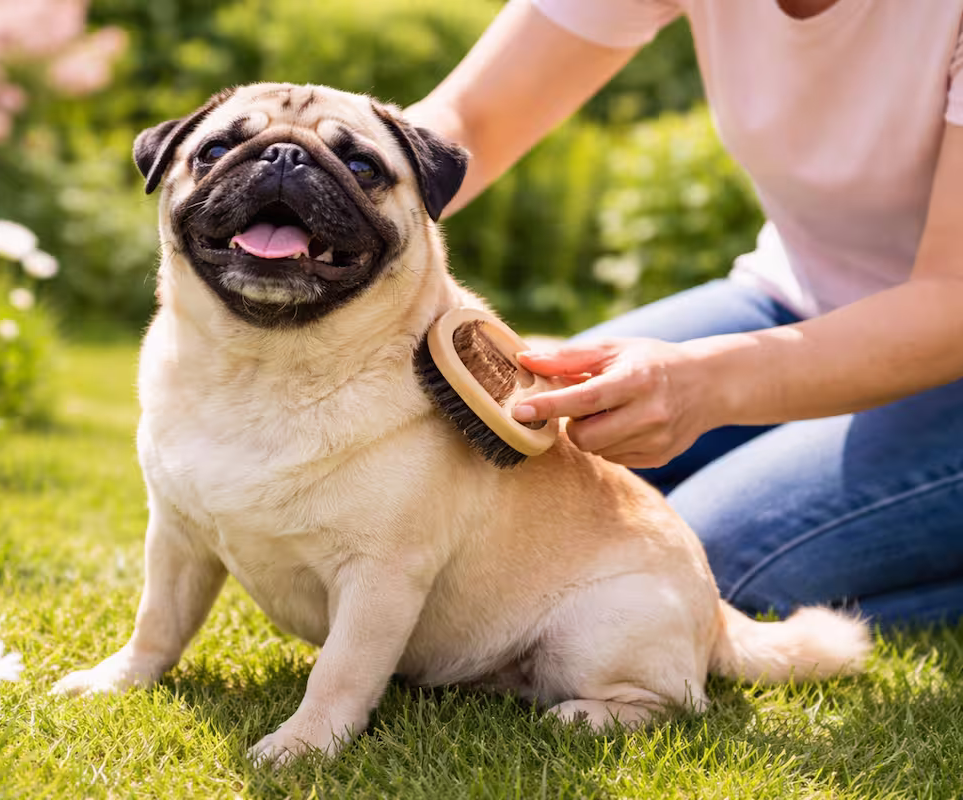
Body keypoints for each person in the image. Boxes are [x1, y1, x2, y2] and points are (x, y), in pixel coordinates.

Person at [405, 0, 963, 627]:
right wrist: (336, 174)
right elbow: (474, 117)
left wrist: (705, 382)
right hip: (794, 297)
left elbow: (951, 297)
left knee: (712, 555)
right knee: (546, 462)